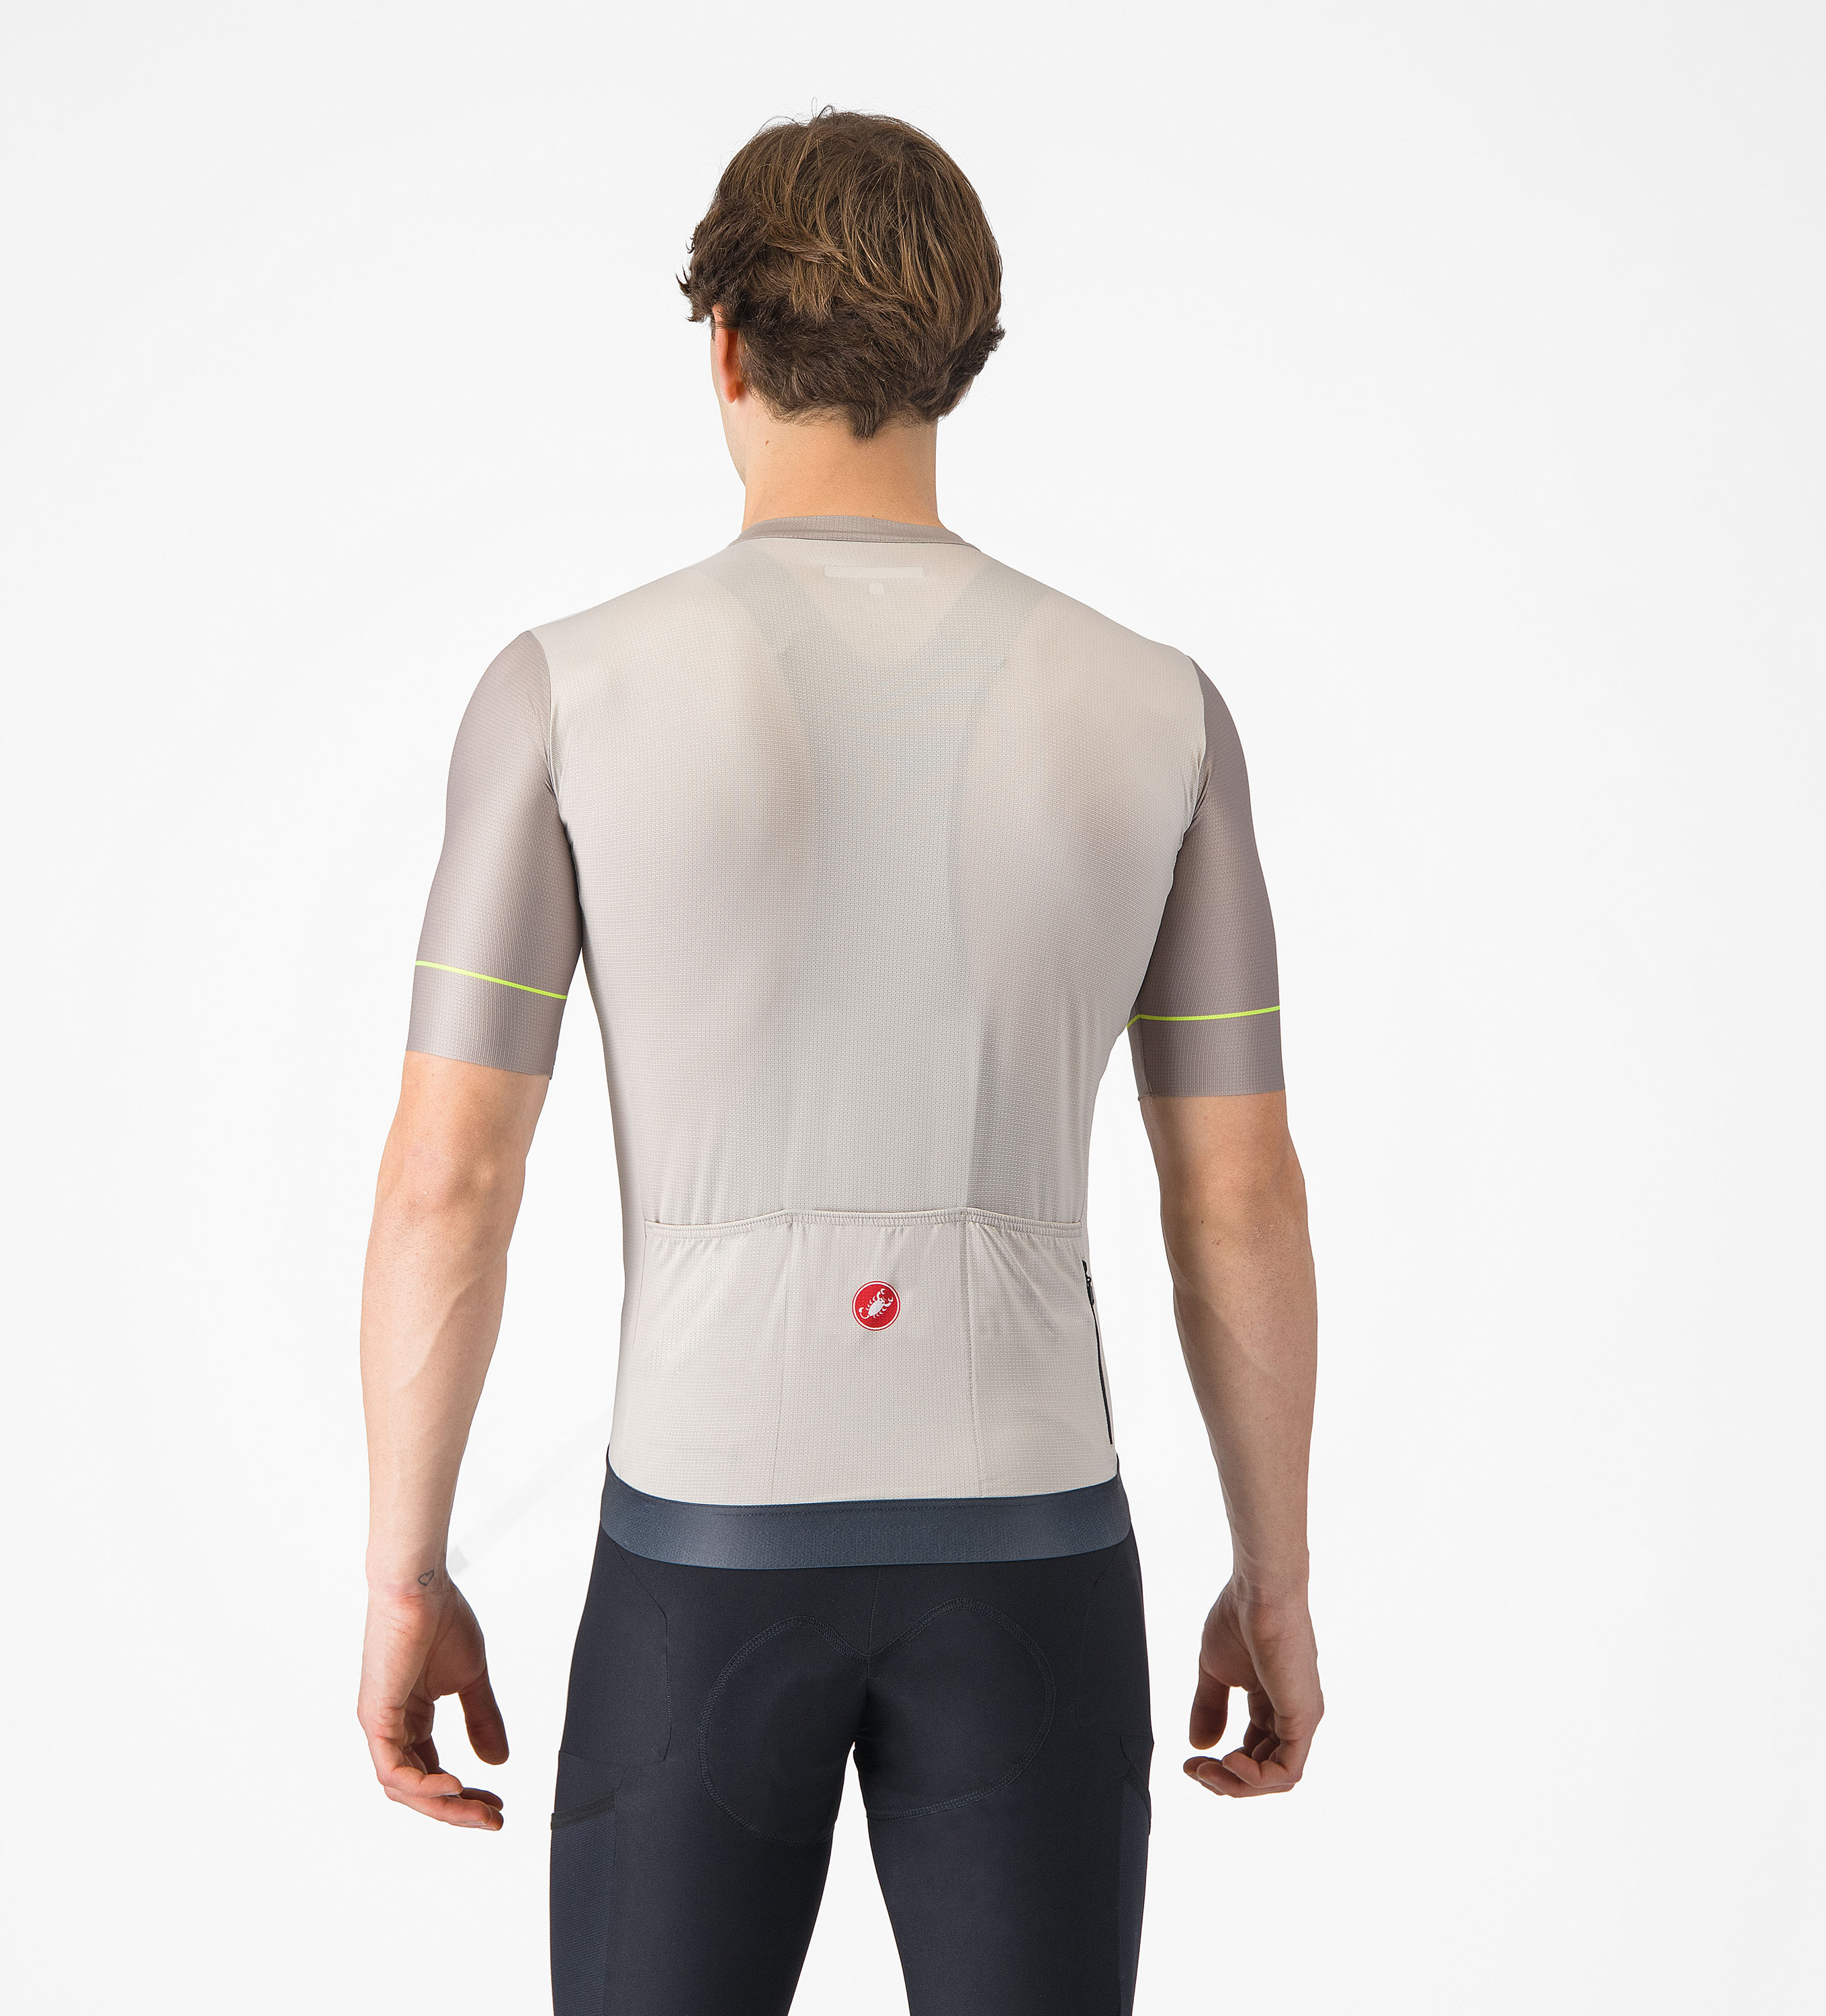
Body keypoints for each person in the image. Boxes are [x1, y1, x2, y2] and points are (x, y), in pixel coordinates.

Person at [357, 108, 1321, 2016]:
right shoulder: (1161, 710)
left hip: (701, 1547)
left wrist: (406, 1571)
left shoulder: (563, 692)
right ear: (963, 354)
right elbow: (1237, 1196)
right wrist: (1272, 1579)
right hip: (1033, 1543)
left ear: (721, 341)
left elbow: (447, 1178)